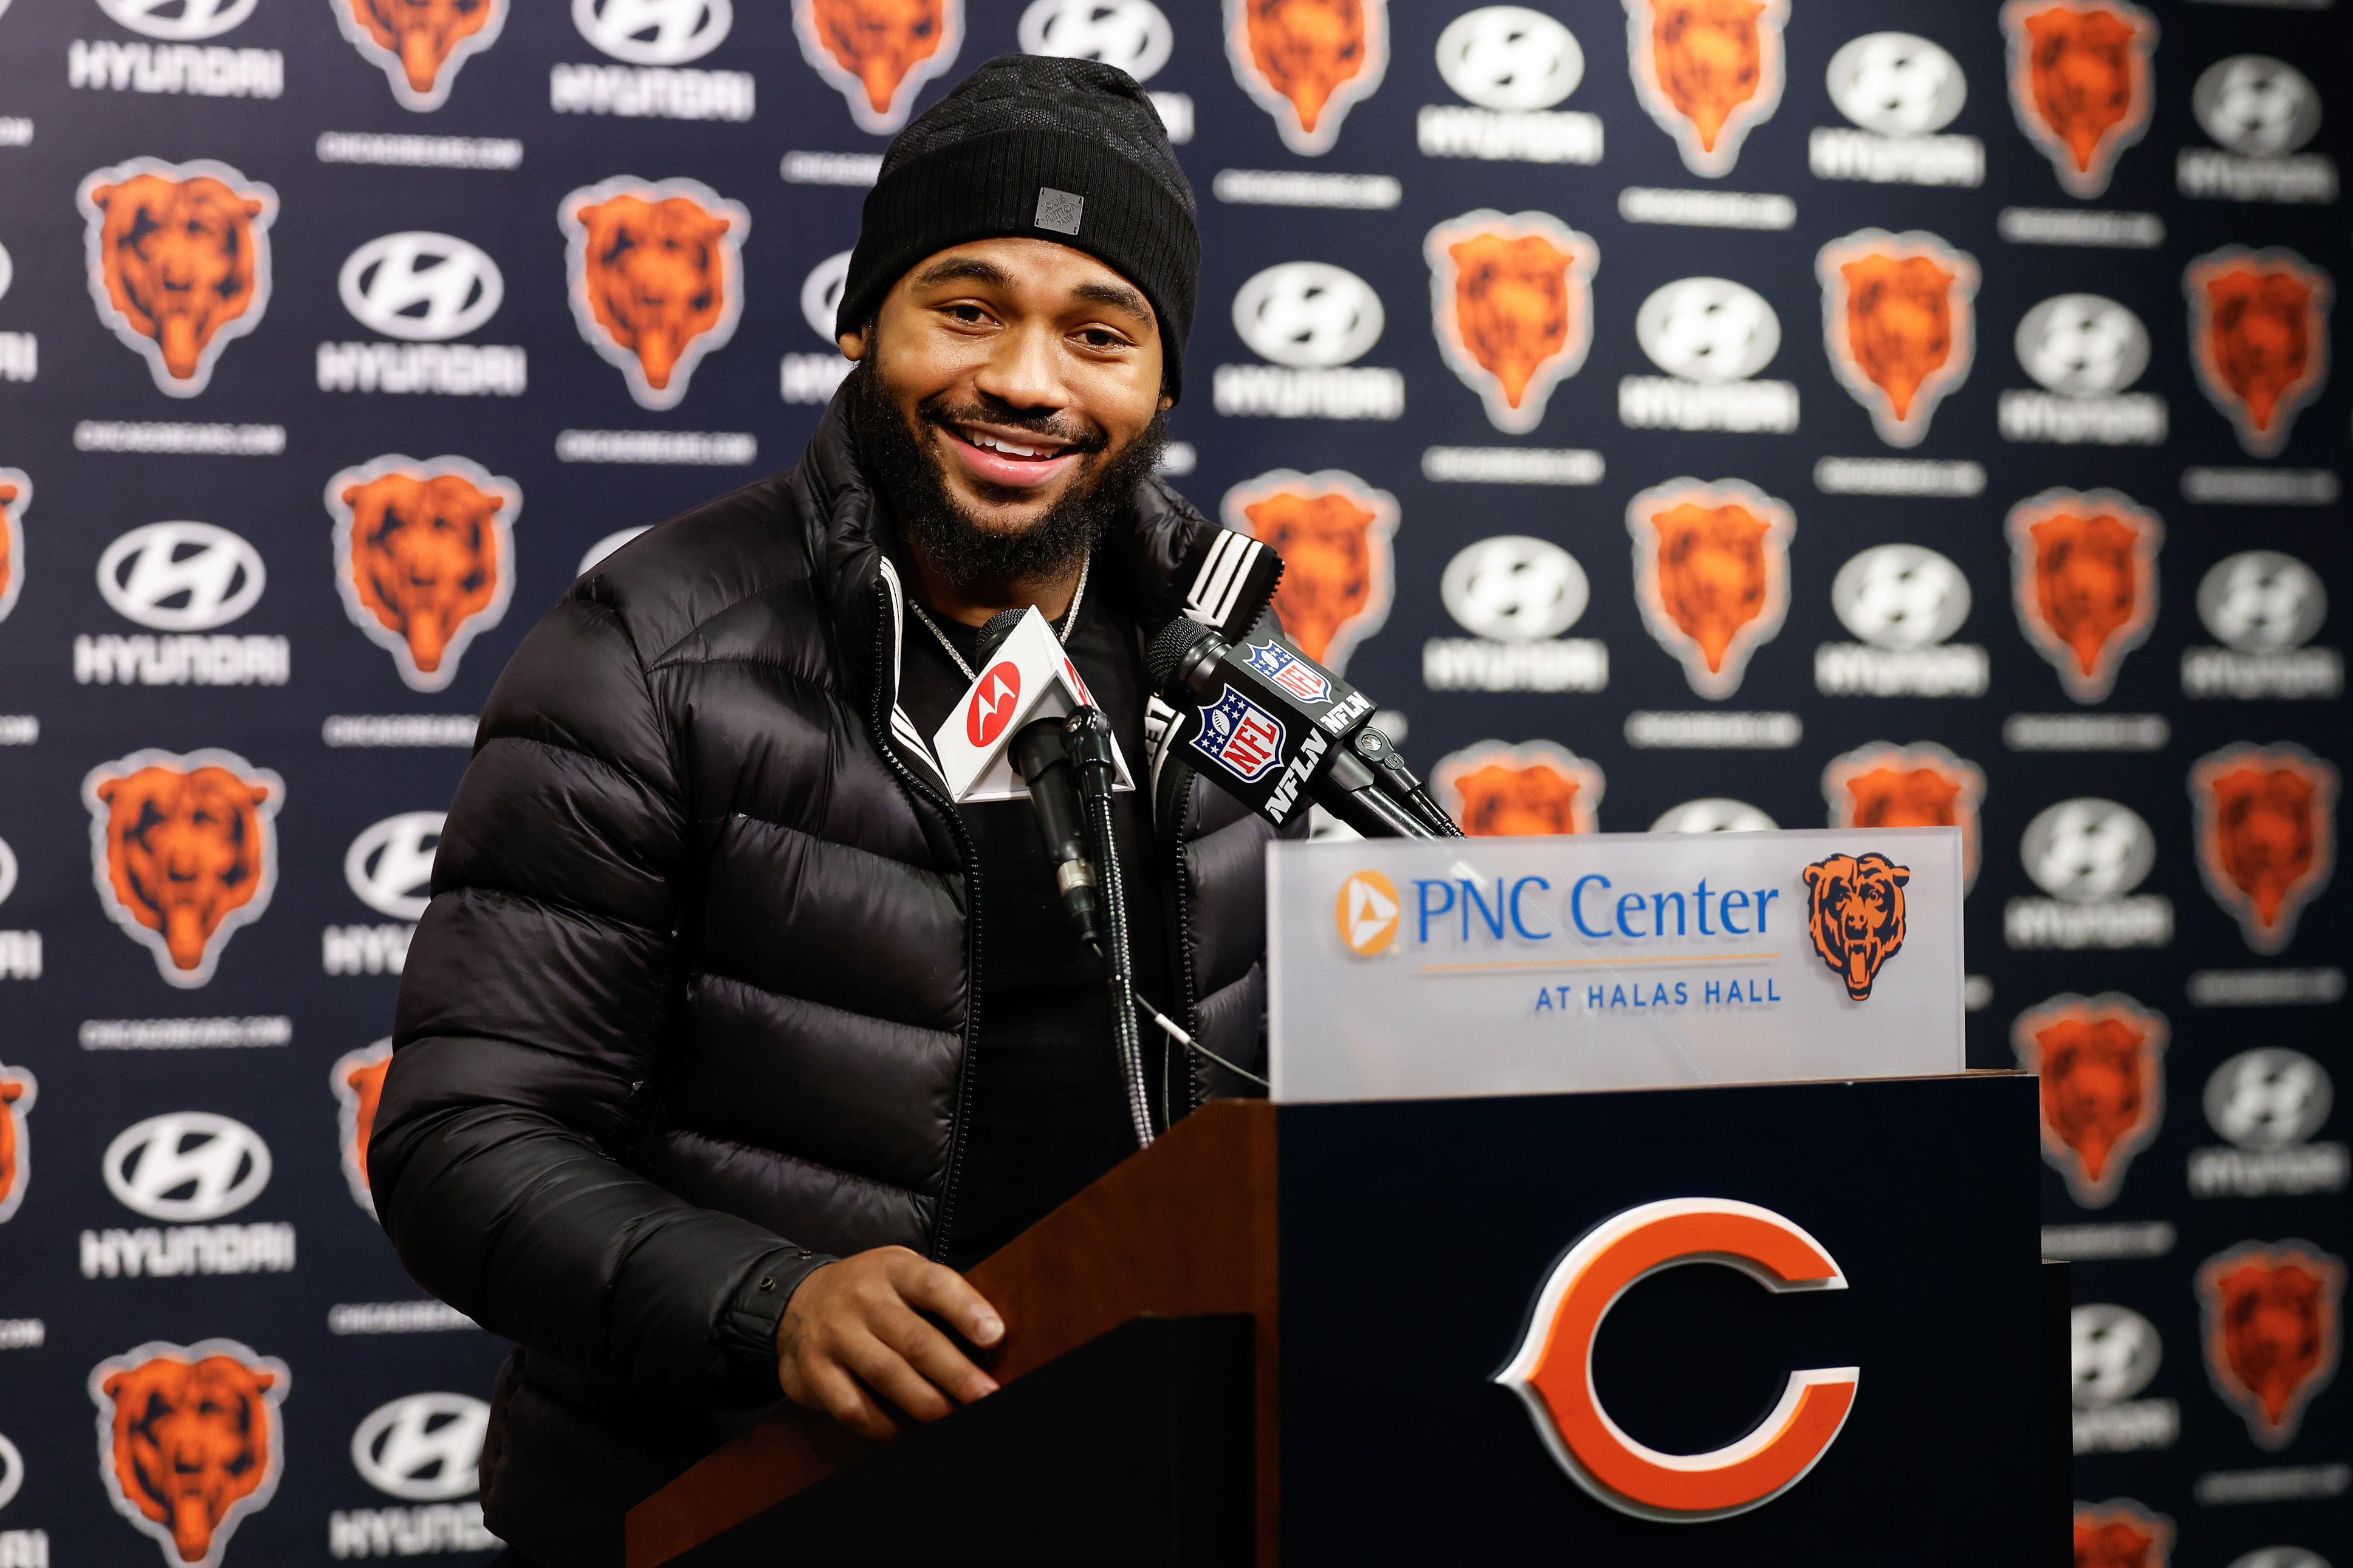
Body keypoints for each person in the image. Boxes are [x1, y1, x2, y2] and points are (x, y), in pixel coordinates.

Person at [369, 53, 1289, 1567]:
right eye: (969, 308)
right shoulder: (650, 653)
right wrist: (772, 1305)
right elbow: (465, 1139)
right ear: (864, 323)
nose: (1028, 383)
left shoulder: (1237, 673)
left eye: (1099, 333)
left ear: (1161, 384)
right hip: (747, 1497)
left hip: (1153, 1491)